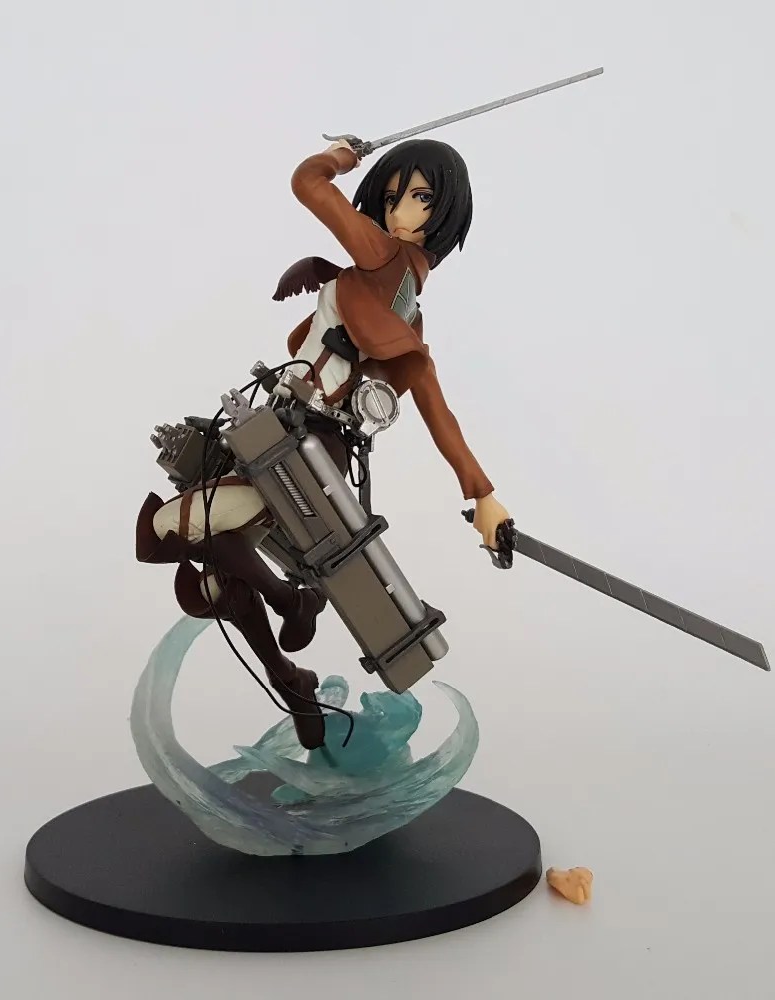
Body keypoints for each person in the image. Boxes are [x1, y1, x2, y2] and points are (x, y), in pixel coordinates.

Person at [136, 137, 511, 750]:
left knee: (167, 528)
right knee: (220, 569)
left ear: (445, 212)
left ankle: (291, 601)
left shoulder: (382, 259)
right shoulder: (406, 305)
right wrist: (484, 497)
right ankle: (290, 678)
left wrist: (342, 154)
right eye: (392, 197)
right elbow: (436, 409)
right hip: (286, 432)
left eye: (420, 198)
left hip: (300, 447)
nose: (399, 211)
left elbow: (307, 183)